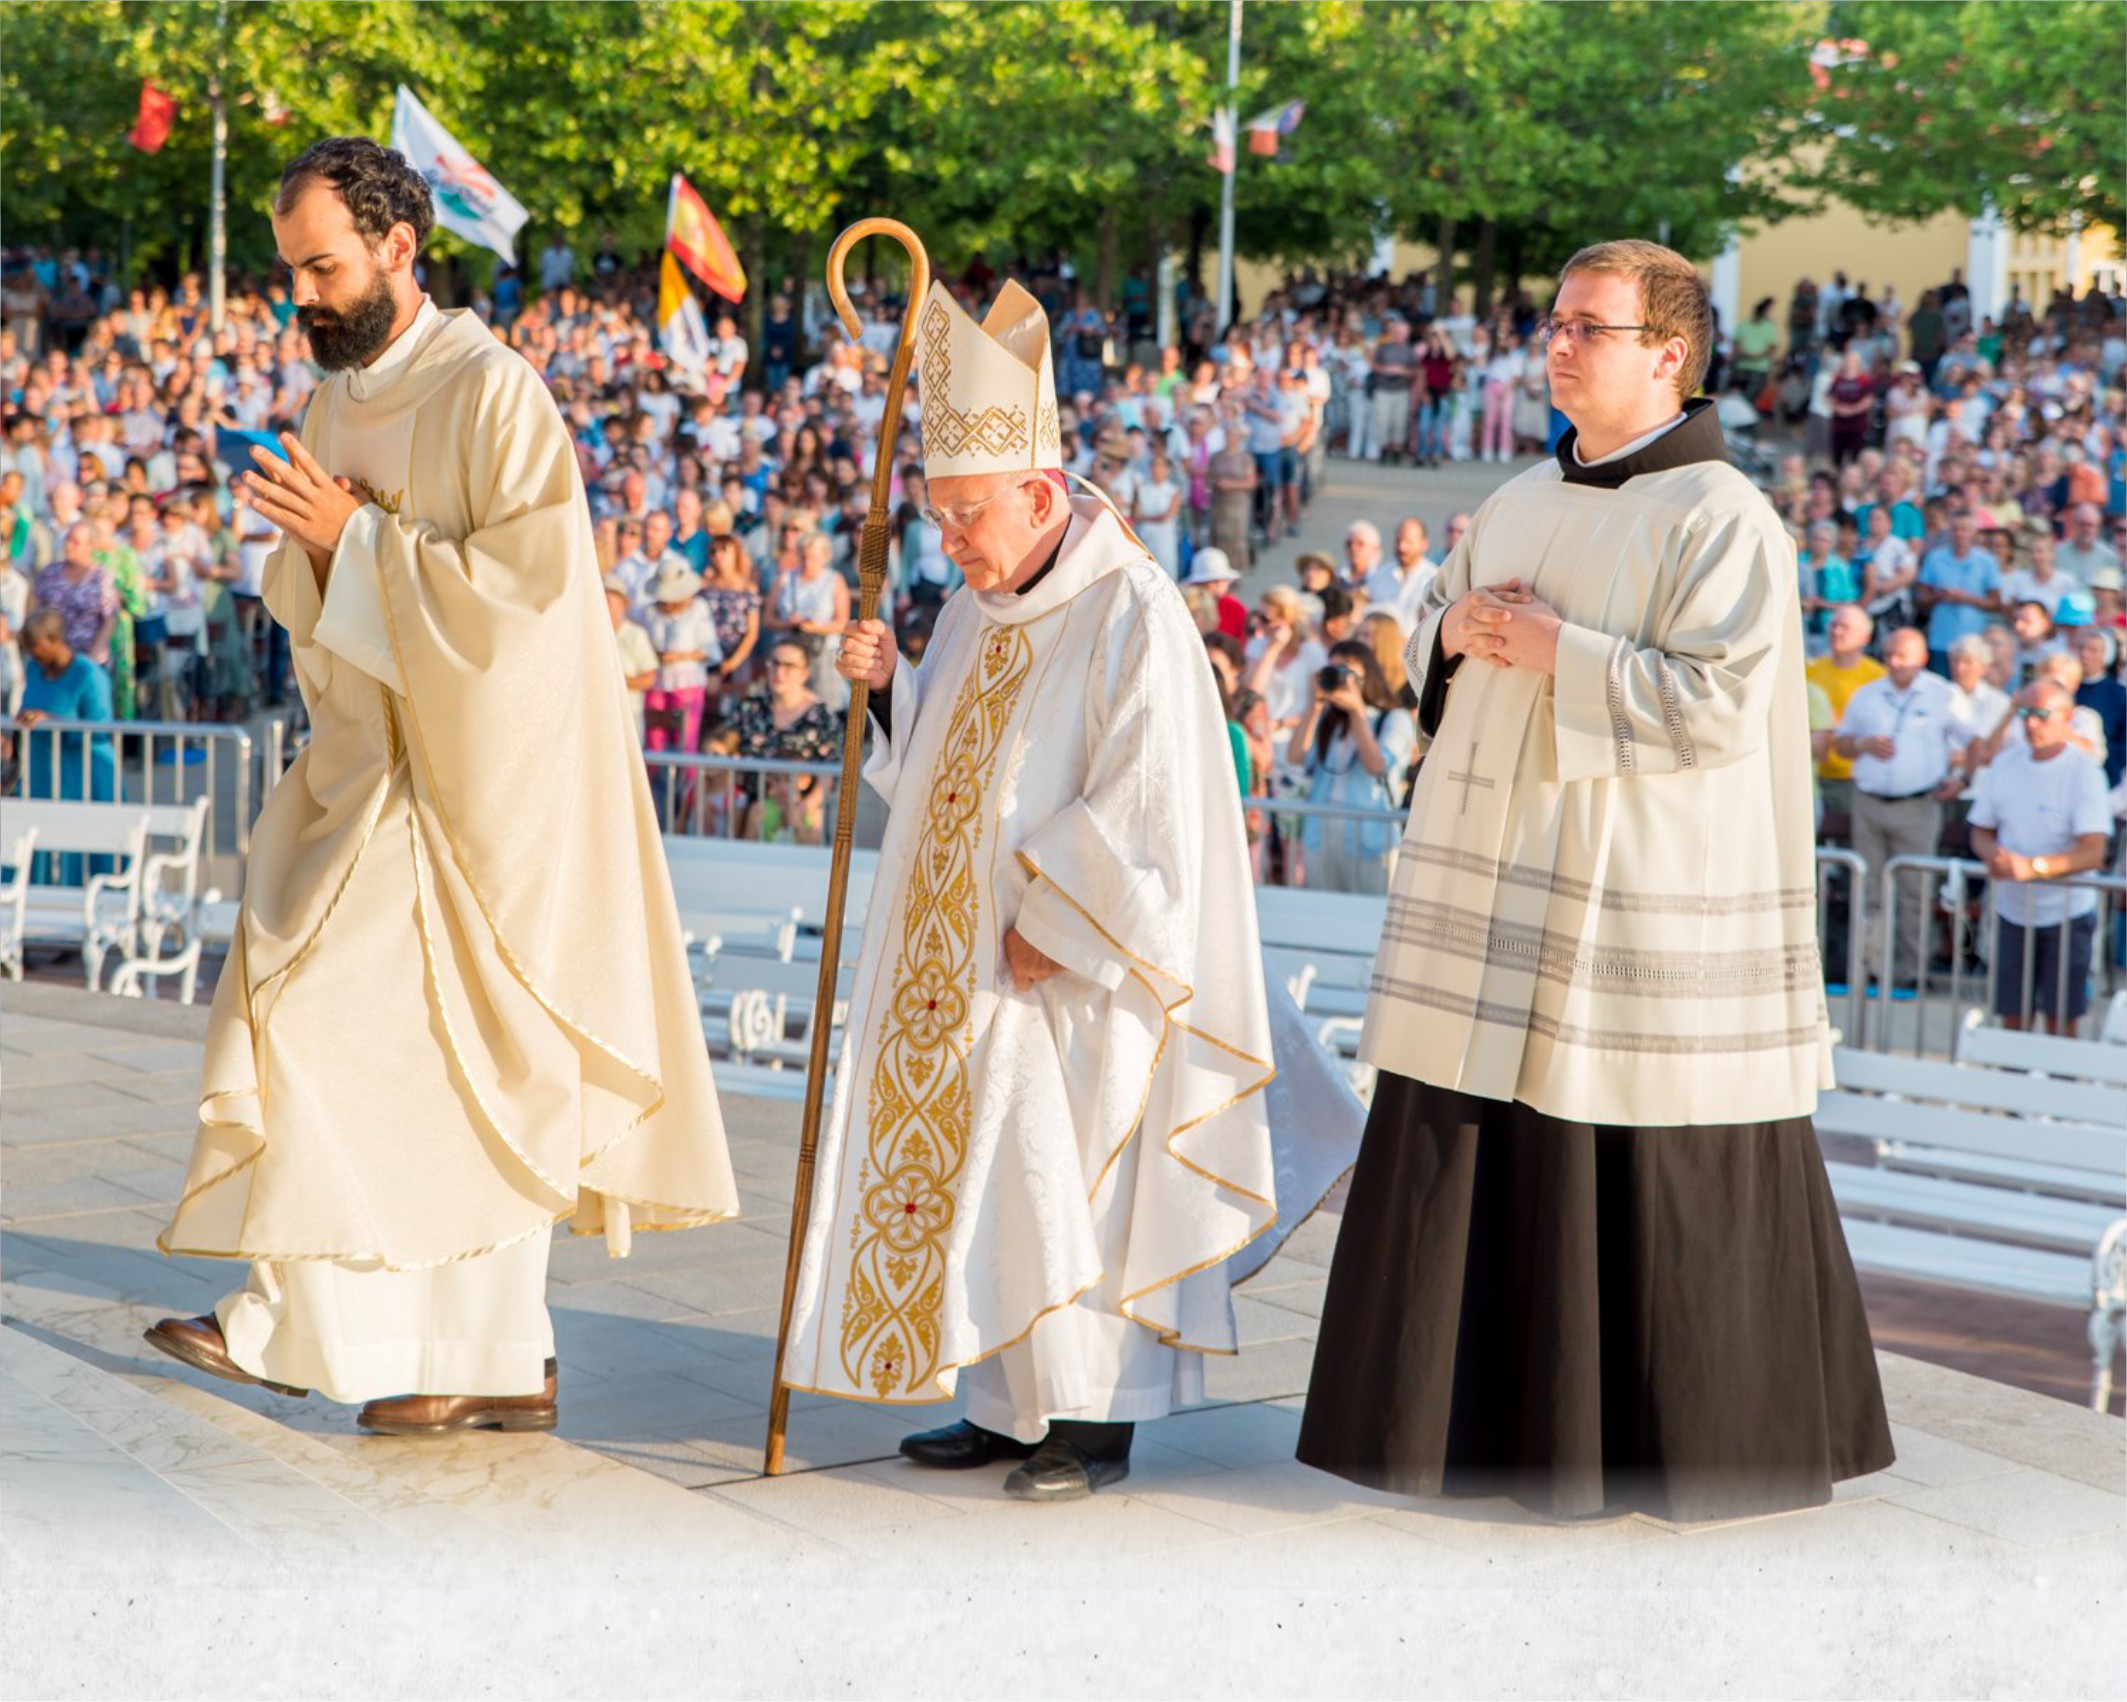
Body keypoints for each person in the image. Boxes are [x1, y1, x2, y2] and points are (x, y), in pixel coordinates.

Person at [145, 136, 737, 1433]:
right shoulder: (332, 395)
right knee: (400, 1056)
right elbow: (315, 591)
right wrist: (317, 553)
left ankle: (302, 1326)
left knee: (351, 1028)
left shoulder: (493, 392)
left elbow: (531, 616)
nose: (300, 294)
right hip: (369, 769)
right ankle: (480, 1357)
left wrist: (356, 540)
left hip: (481, 787)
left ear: (399, 248)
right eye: (292, 269)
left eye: (320, 266)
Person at [1299, 240, 1890, 1521]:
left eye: (1590, 327)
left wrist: (1561, 648)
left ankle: (1661, 1453)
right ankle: (1464, 1436)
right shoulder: (1514, 500)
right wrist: (1455, 635)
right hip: (1499, 894)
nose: (1558, 343)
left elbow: (1723, 708)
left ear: (1668, 353)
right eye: (1556, 322)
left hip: (1634, 907)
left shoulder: (1723, 518)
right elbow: (1438, 660)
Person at [784, 277, 1280, 1503]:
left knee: (1073, 1176)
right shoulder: (970, 605)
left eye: (966, 515)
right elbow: (944, 777)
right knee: (990, 1179)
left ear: (1043, 493)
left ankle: (1092, 1419)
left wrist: (1062, 926)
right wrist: (894, 685)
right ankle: (1003, 1405)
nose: (949, 540)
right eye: (938, 517)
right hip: (961, 967)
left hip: (1069, 964)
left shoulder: (1132, 610)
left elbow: (1154, 801)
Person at [1969, 680, 2113, 1034]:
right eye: (2024, 714)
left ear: (2067, 717)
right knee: (2012, 1016)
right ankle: (2013, 1083)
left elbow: (2094, 850)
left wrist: (2033, 868)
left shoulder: (2083, 772)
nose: (2031, 723)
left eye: (2041, 715)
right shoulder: (2006, 763)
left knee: (2061, 1020)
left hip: (2066, 914)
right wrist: (1996, 857)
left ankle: (2061, 1086)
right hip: (2012, 911)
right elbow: (1980, 831)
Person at [1833, 628, 1964, 988]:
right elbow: (1840, 744)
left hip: (1917, 806)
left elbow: (1977, 740)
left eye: (1902, 655)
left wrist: (1962, 778)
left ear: (1921, 658)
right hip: (1869, 802)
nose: (1894, 661)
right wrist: (1862, 743)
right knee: (1868, 889)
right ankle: (1870, 968)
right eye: (1889, 653)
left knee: (1915, 892)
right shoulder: (1867, 694)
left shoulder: (1943, 695)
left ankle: (1913, 973)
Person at [1288, 639, 1415, 896]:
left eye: (1346, 671)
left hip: (1371, 835)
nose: (1339, 679)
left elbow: (1376, 766)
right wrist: (1313, 707)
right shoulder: (1328, 719)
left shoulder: (1394, 719)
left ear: (1367, 676)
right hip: (1322, 832)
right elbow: (1296, 757)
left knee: (1370, 920)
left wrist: (1358, 712)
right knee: (1324, 917)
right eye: (1332, 670)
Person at [729, 635, 840, 843]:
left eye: (789, 666)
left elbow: (830, 774)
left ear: (805, 673)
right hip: (748, 814)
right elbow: (723, 745)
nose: (779, 672)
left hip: (802, 813)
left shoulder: (823, 717)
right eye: (774, 663)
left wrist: (801, 809)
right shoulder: (750, 708)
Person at [1805, 604, 1885, 839]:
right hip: (1815, 775)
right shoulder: (1811, 670)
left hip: (1852, 778)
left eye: (1845, 627)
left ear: (1865, 637)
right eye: (1833, 625)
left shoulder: (1877, 677)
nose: (1836, 631)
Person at [603, 571, 659, 746]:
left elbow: (649, 678)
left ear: (622, 605)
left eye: (609, 602)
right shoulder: (588, 635)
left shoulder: (635, 635)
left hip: (628, 715)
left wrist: (616, 682)